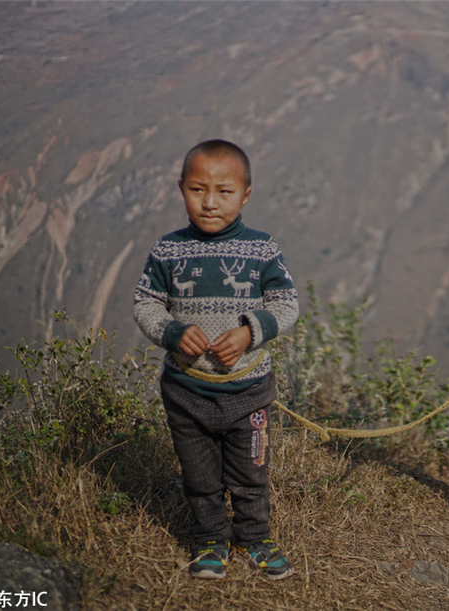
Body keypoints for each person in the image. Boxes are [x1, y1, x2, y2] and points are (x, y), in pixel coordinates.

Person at [134, 139, 299, 580]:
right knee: (199, 474)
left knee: (250, 472)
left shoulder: (262, 250)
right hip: (187, 391)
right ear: (181, 189)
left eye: (224, 192)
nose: (209, 203)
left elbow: (286, 304)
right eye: (197, 190)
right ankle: (209, 539)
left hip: (249, 391)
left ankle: (255, 537)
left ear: (245, 194)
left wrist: (251, 330)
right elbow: (146, 303)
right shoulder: (168, 251)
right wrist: (171, 332)